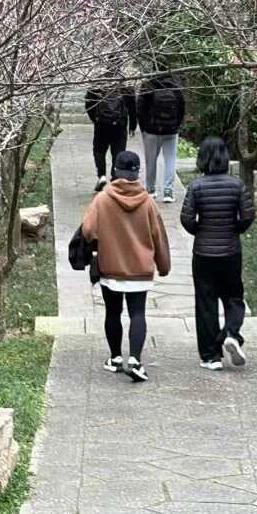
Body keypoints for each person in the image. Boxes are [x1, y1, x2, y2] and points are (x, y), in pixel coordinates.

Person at [81, 149, 170, 383]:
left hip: (111, 266)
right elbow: (158, 235)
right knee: (137, 313)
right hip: (140, 269)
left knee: (113, 312)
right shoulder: (148, 202)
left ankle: (115, 358)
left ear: (115, 171)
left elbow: (88, 230)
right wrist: (163, 265)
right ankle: (136, 360)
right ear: (137, 173)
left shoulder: (102, 199)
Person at [181, 135, 255, 371]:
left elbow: (186, 218)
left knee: (206, 304)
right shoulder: (237, 185)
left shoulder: (196, 186)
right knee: (234, 297)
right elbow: (247, 215)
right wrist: (235, 230)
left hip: (203, 252)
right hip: (230, 251)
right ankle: (231, 333)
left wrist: (199, 231)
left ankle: (210, 357)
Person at [137, 70, 185, 204]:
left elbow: (140, 108)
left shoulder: (148, 85)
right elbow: (182, 107)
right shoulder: (175, 85)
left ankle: (151, 190)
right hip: (171, 130)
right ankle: (168, 192)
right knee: (170, 160)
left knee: (151, 160)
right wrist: (177, 125)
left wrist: (143, 128)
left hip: (151, 131)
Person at [85, 70, 138, 193]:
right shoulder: (125, 83)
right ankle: (115, 178)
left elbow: (88, 103)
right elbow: (132, 106)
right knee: (118, 152)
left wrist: (95, 118)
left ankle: (101, 175)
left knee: (99, 150)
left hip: (101, 124)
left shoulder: (99, 82)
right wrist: (133, 125)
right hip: (120, 124)